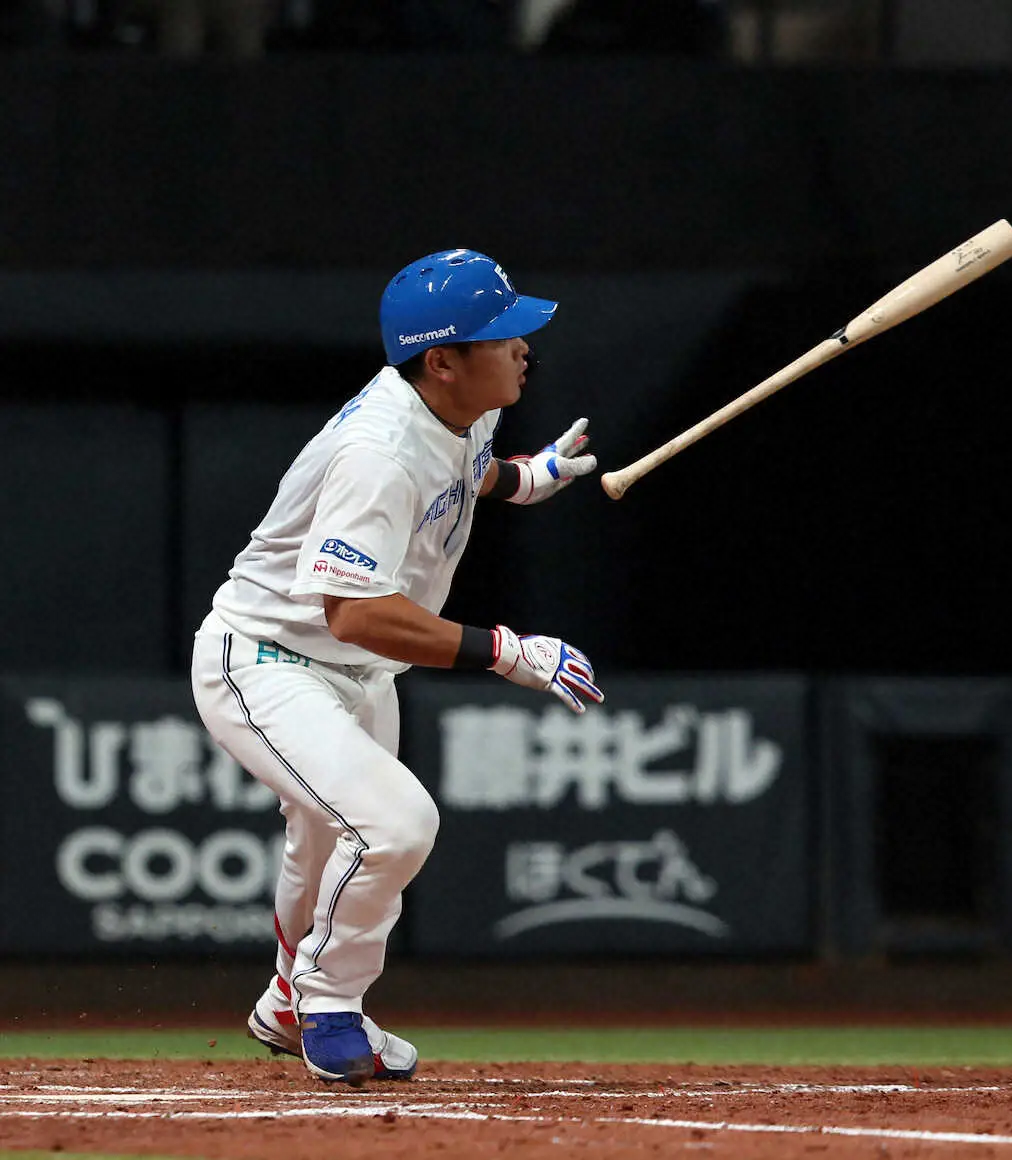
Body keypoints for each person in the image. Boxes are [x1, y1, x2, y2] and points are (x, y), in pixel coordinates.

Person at [190, 248, 603, 1086]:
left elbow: (462, 472)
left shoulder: (457, 407)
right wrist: (506, 651)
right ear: (441, 360)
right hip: (268, 660)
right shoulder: (376, 453)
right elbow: (356, 611)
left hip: (358, 671)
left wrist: (529, 479)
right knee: (396, 824)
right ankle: (331, 1007)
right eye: (502, 334)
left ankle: (288, 1002)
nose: (523, 346)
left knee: (323, 844)